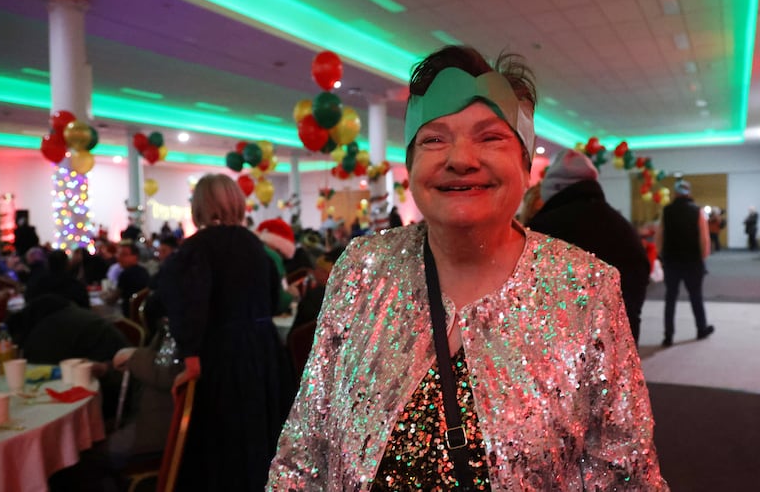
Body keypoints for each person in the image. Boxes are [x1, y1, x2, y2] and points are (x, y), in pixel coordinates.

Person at [268, 45, 667, 490]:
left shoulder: (586, 290)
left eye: (490, 137)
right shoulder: (362, 270)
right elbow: (303, 457)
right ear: (411, 164)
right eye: (434, 139)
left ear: (525, 163)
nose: (460, 158)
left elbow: (627, 478)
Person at [158, 174, 295, 491]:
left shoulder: (197, 249)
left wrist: (190, 355)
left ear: (199, 206)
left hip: (221, 355)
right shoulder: (256, 246)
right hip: (264, 352)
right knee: (260, 440)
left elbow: (189, 305)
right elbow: (274, 300)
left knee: (223, 446)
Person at [528, 149, 650, 344]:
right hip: (620, 344)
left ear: (551, 189)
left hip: (561, 349)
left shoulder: (543, 229)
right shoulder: (622, 228)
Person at [657, 180, 714, 347]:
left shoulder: (666, 211)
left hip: (671, 261)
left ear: (675, 193)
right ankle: (701, 329)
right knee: (696, 296)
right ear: (689, 192)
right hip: (692, 261)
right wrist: (703, 257)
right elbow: (704, 238)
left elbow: (660, 235)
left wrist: (661, 255)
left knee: (670, 298)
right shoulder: (697, 211)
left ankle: (668, 335)